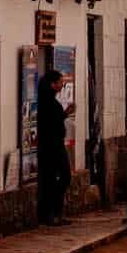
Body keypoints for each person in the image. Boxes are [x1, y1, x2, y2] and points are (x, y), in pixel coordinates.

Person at [36, 69, 72, 224]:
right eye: (60, 82)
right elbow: (50, 122)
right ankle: (51, 213)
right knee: (57, 177)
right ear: (53, 84)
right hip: (51, 145)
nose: (62, 85)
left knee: (57, 177)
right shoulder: (47, 101)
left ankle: (54, 212)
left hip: (54, 144)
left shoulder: (49, 100)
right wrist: (64, 114)